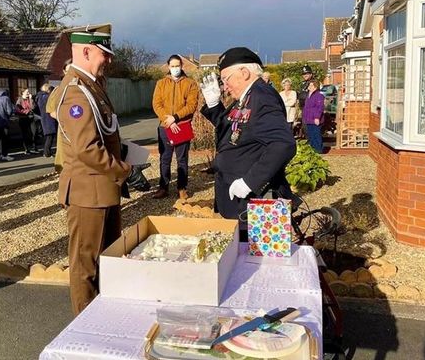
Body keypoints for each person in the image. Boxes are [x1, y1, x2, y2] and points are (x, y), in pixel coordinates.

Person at [55, 24, 149, 315]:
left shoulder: (93, 88)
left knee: (107, 259)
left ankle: (103, 317)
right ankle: (85, 325)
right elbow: (87, 149)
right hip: (86, 192)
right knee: (86, 264)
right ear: (85, 51)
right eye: (103, 54)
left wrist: (127, 157)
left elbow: (106, 136)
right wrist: (125, 170)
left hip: (103, 189)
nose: (108, 60)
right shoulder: (75, 93)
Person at [199, 47, 297, 239]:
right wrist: (213, 105)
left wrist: (249, 181)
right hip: (242, 200)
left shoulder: (262, 97)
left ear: (244, 73)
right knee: (244, 255)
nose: (224, 87)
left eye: (226, 79)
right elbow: (232, 131)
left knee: (260, 260)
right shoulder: (248, 97)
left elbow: (283, 144)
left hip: (257, 199)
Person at [151, 54, 198, 200]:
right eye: (173, 66)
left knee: (182, 159)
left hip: (182, 125)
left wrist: (176, 118)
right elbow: (156, 104)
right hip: (165, 126)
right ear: (168, 66)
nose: (175, 68)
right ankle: (163, 187)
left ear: (182, 66)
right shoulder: (161, 83)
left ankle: (182, 188)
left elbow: (191, 106)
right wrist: (168, 121)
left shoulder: (190, 84)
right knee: (165, 159)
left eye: (177, 66)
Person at [302, 79, 324, 153]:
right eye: (309, 85)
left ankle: (318, 150)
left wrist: (317, 117)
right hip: (308, 118)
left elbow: (319, 107)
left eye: (312, 85)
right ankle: (313, 150)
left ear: (316, 87)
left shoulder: (319, 95)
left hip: (315, 119)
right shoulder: (308, 95)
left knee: (316, 135)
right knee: (311, 135)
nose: (310, 86)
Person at [35, 83, 57, 157]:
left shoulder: (38, 97)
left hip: (43, 117)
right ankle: (47, 152)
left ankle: (46, 151)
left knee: (48, 136)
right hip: (49, 117)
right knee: (50, 136)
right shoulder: (47, 97)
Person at [16, 88, 39, 155]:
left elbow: (33, 107)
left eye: (29, 92)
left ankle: (34, 147)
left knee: (34, 133)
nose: (28, 93)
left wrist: (31, 99)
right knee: (25, 134)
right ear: (22, 93)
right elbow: (18, 109)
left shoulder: (30, 99)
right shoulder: (19, 100)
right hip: (23, 118)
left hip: (31, 118)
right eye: (27, 92)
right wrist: (27, 111)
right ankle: (27, 149)